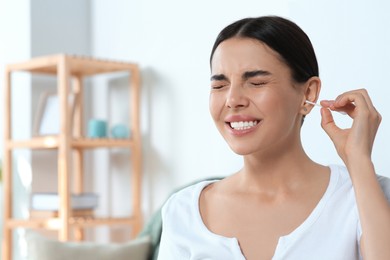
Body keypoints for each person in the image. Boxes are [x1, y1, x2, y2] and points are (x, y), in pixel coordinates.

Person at [157, 16, 390, 259]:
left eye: (256, 82)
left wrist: (359, 161)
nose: (233, 99)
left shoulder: (367, 194)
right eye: (219, 86)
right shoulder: (183, 211)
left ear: (307, 93)